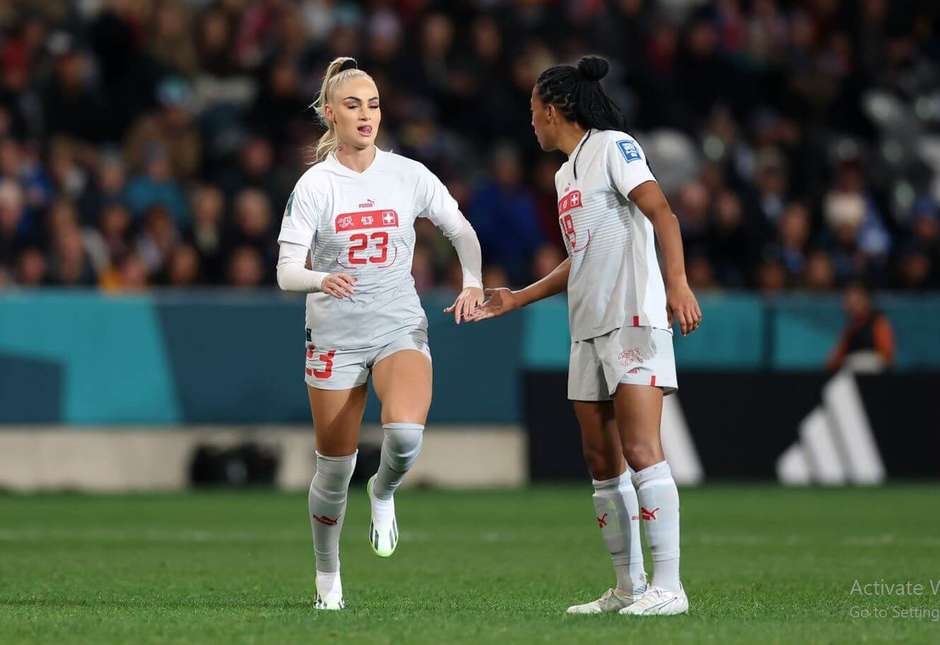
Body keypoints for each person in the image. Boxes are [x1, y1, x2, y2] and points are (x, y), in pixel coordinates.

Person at [466, 56, 702, 616]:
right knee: (601, 459)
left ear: (554, 109)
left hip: (632, 316)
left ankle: (670, 587)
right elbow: (581, 257)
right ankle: (629, 586)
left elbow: (662, 213)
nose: (531, 123)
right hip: (588, 325)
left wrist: (678, 285)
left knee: (643, 449)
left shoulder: (615, 147)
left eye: (533, 112)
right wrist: (519, 296)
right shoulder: (564, 173)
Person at [275, 57, 484, 611]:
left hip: (397, 324)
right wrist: (323, 277)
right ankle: (328, 580)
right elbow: (285, 271)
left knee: (406, 436)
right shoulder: (316, 185)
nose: (366, 115)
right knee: (334, 467)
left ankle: (385, 490)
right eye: (352, 104)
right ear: (328, 114)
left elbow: (461, 230)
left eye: (373, 103)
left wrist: (473, 282)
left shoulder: (408, 174)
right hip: (334, 338)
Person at [826, 281, 895, 372]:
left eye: (853, 300)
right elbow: (833, 361)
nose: (847, 305)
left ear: (865, 300)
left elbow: (887, 357)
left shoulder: (879, 323)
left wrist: (863, 362)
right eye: (846, 301)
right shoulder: (850, 329)